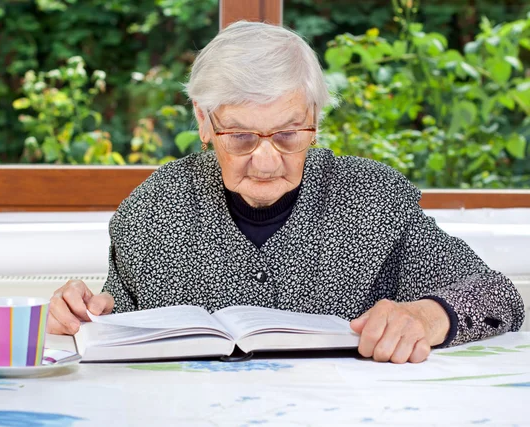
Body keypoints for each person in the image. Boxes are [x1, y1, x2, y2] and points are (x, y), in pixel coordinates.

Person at [47, 21, 525, 364]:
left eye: (289, 134)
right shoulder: (150, 211)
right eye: (241, 137)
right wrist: (80, 316)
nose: (267, 160)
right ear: (203, 121)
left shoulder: (372, 198)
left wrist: (425, 317)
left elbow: (499, 298)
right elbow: (117, 326)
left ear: (315, 120)